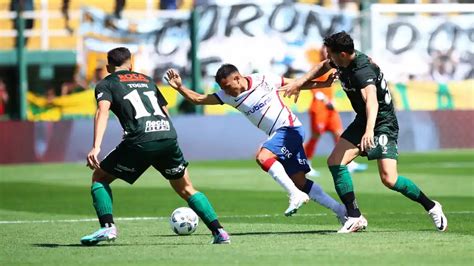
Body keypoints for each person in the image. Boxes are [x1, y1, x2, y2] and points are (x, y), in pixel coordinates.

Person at [283, 31, 448, 233]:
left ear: (342, 54)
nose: (329, 59)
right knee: (335, 161)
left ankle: (431, 206)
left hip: (382, 123)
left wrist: (369, 131)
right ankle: (354, 216)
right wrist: (299, 83)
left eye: (331, 55)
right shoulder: (342, 61)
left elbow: (371, 100)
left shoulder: (362, 70)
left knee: (389, 179)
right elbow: (322, 67)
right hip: (364, 120)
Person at [81, 47, 230, 245]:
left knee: (100, 177)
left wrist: (96, 146)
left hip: (140, 139)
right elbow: (164, 110)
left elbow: (102, 112)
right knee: (186, 188)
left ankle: (107, 228)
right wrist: (168, 139)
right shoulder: (146, 80)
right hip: (167, 135)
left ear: (109, 67)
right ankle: (219, 232)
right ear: (131, 64)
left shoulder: (106, 83)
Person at [165, 65, 347, 223]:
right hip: (281, 134)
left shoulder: (264, 79)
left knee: (262, 156)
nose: (227, 91)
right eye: (223, 88)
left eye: (228, 86)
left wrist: (323, 83)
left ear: (237, 78)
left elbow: (297, 83)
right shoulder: (227, 96)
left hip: (290, 129)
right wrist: (180, 88)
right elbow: (198, 99)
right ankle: (342, 211)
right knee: (300, 181)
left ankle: (295, 195)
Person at [304, 48, 367, 177]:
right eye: (323, 51)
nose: (326, 53)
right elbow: (310, 85)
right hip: (319, 107)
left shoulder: (332, 66)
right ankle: (306, 164)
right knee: (315, 136)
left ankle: (348, 163)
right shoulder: (317, 67)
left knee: (339, 133)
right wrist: (324, 99)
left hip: (331, 108)